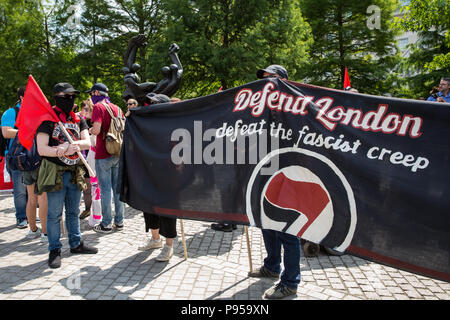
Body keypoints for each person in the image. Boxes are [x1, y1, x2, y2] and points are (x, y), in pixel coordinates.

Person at [248, 64, 301, 299]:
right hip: (266, 173)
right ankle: (271, 266)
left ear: (281, 80)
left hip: (289, 175)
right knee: (267, 223)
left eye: (270, 78)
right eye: (264, 78)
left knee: (288, 231)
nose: (265, 82)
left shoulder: (296, 107)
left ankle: (290, 282)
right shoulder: (260, 108)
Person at [36, 82, 98, 269]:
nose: (70, 100)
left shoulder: (78, 119)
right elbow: (41, 149)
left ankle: (76, 243)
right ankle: (54, 249)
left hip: (74, 172)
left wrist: (76, 145)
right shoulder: (47, 119)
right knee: (55, 214)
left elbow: (88, 142)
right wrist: (60, 150)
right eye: (66, 96)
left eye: (73, 96)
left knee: (72, 212)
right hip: (55, 173)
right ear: (56, 97)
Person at [137, 93, 177, 262]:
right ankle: (155, 240)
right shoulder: (148, 124)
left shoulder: (173, 125)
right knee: (149, 206)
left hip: (168, 173)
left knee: (167, 210)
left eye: (153, 104)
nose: (150, 107)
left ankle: (169, 246)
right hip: (149, 172)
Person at [88, 83, 125, 233]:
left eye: (92, 93)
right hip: (118, 152)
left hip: (103, 153)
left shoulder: (99, 107)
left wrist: (89, 130)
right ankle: (120, 221)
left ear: (96, 93)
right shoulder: (118, 108)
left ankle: (106, 224)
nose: (91, 96)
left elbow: (96, 130)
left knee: (105, 191)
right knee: (117, 190)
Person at [1, 86, 28, 229]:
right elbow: (6, 132)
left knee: (30, 188)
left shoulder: (32, 113)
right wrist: (26, 132)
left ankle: (28, 215)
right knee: (20, 190)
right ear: (22, 97)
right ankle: (21, 218)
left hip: (31, 156)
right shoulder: (10, 112)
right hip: (15, 157)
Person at [23, 161, 48, 242]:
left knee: (31, 199)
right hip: (40, 165)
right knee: (43, 199)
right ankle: (45, 233)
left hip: (26, 164)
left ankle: (33, 230)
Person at [79, 99, 94, 220]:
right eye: (83, 108)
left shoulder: (95, 121)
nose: (84, 111)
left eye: (86, 109)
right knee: (87, 186)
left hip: (94, 156)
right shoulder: (80, 121)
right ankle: (88, 208)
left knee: (96, 186)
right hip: (84, 157)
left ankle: (97, 210)